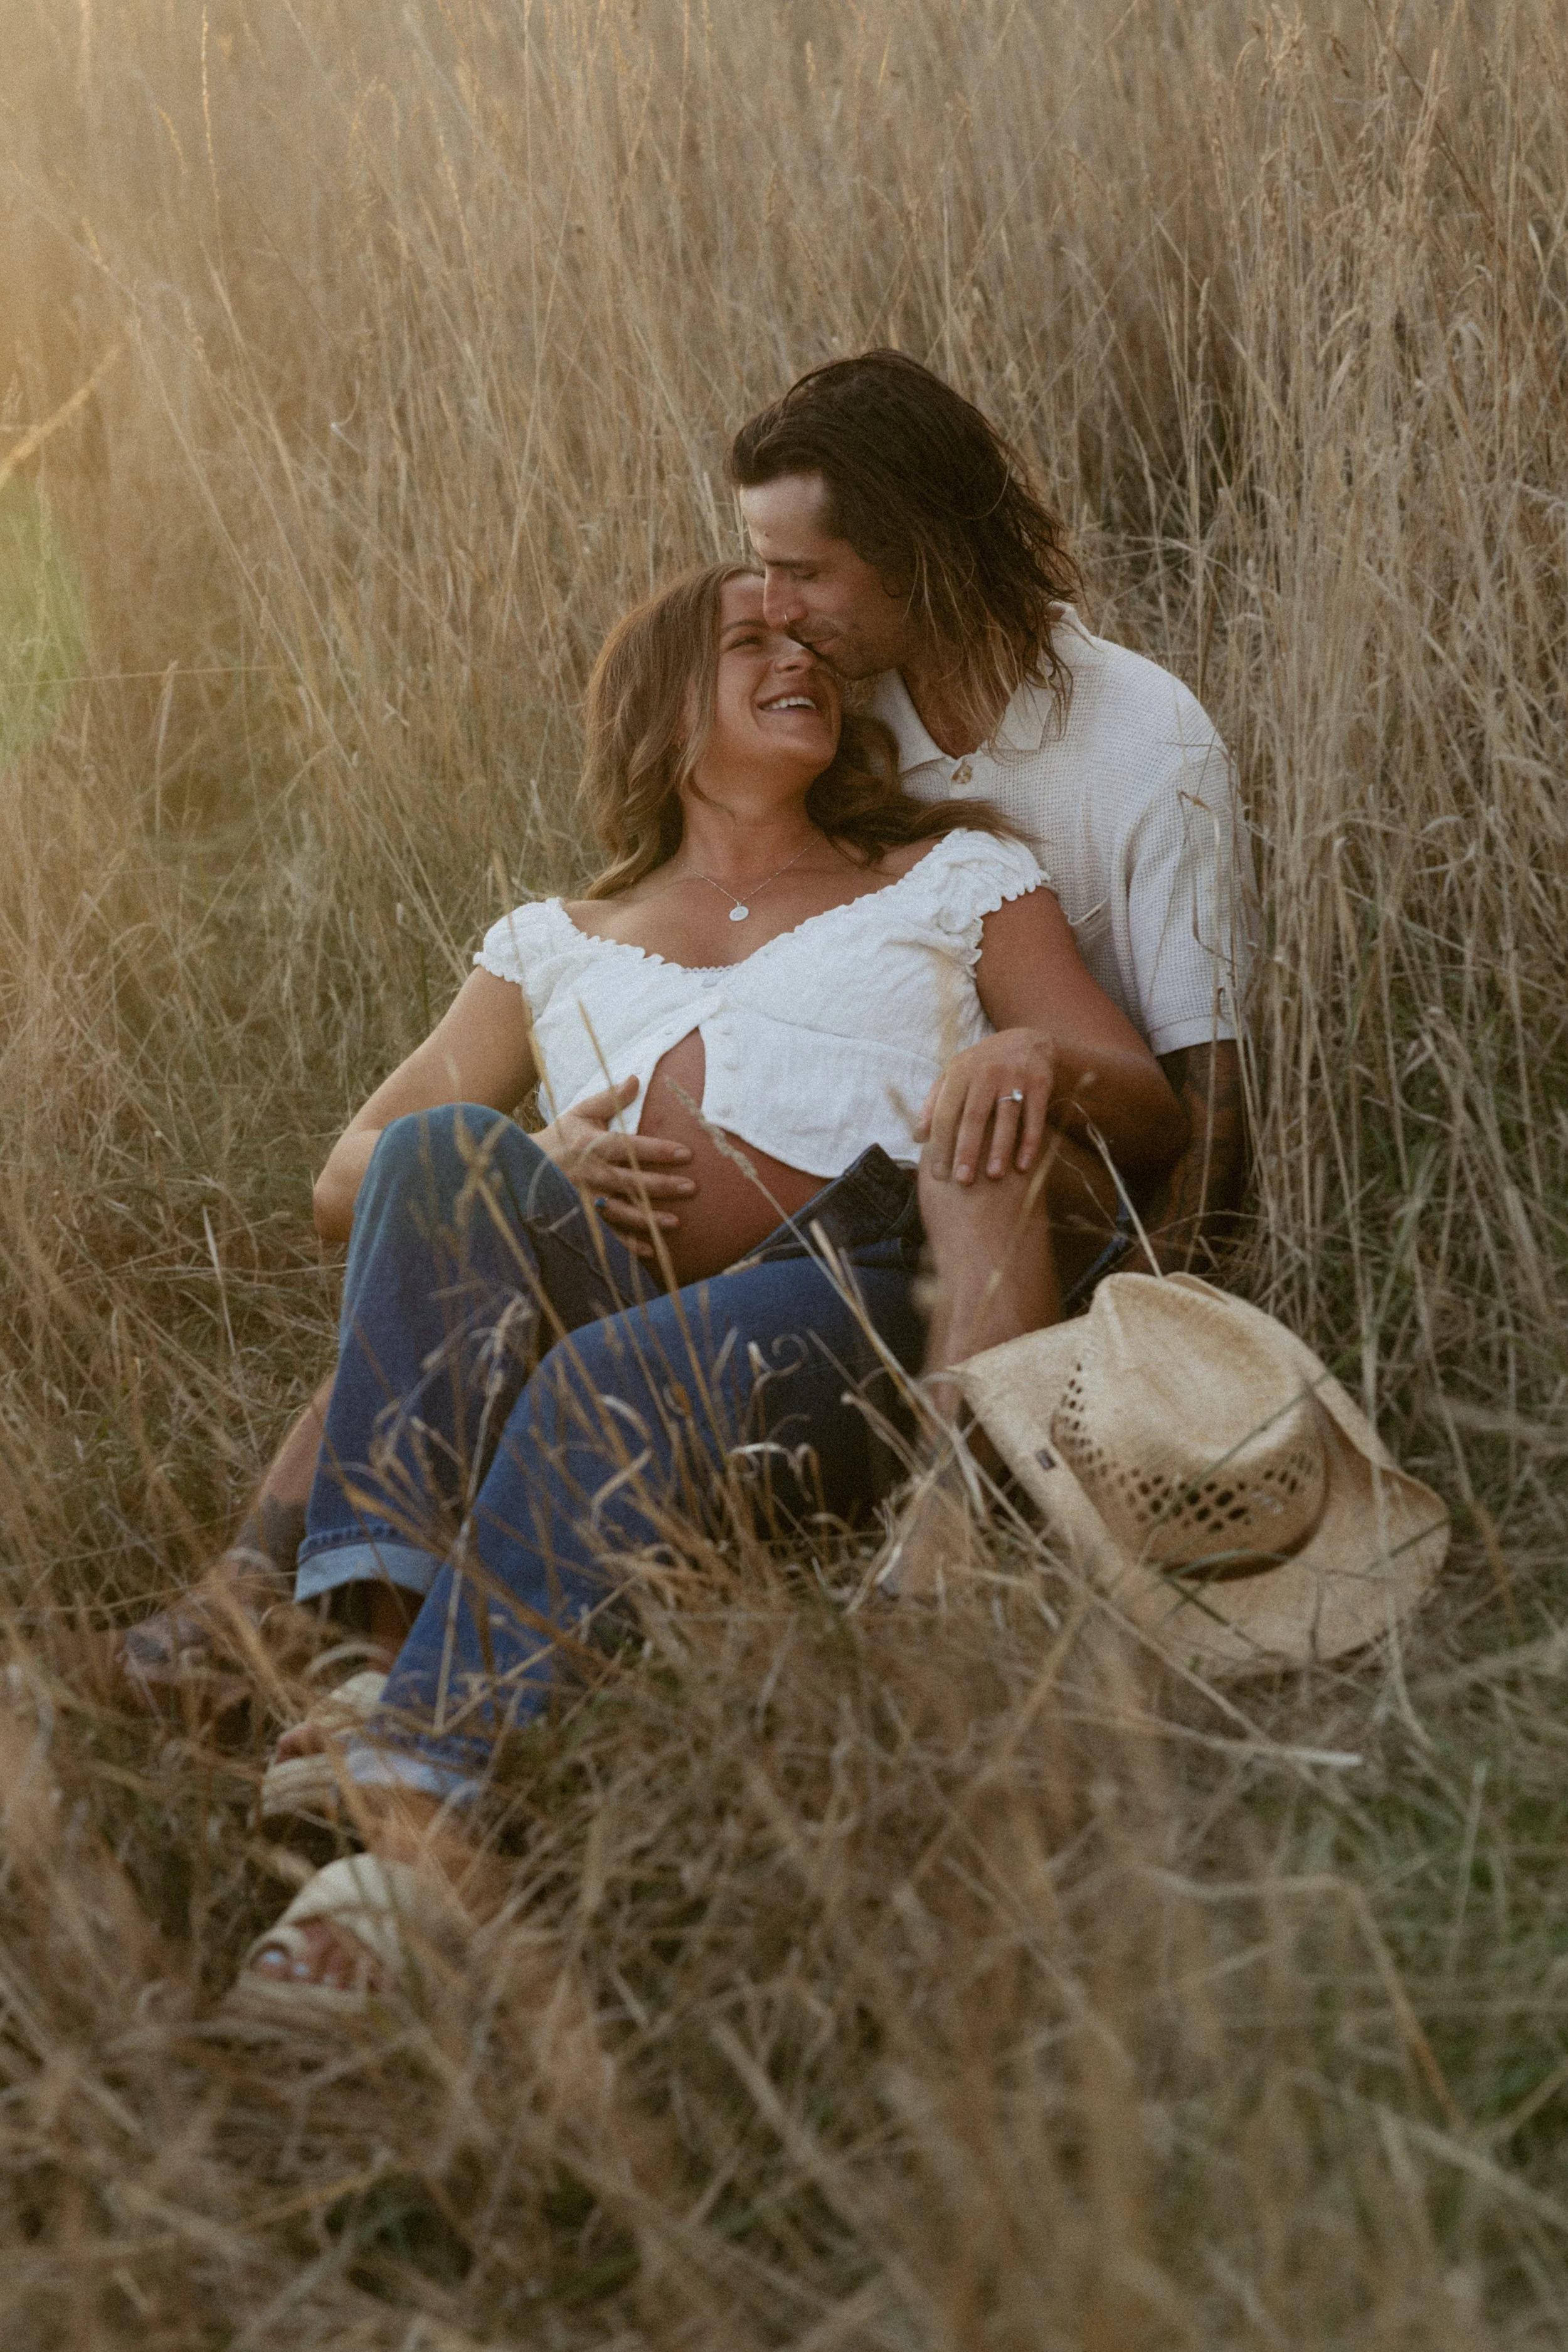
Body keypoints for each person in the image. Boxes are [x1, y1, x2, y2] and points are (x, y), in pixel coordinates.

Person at [118, 347, 1248, 1694]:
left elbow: (1192, 1101)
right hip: (619, 1273)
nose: (783, 622)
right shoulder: (729, 795)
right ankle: (294, 1618)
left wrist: (1134, 1365)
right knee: (447, 1183)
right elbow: (366, 1175)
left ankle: (377, 1671)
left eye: (800, 585)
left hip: (910, 1246)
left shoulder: (1102, 768)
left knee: (613, 1342)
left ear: (912, 564)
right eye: (752, 603)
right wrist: (534, 1162)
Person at [228, 561, 1185, 2012]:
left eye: (807, 639)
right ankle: (381, 1657)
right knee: (439, 1154)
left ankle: (412, 1828)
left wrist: (1032, 1056)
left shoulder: (945, 876)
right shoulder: (553, 936)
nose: (798, 653)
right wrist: (533, 1149)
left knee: (595, 1381)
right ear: (661, 708)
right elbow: (342, 1181)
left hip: (855, 1289)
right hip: (602, 1295)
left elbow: (1146, 1100)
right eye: (751, 642)